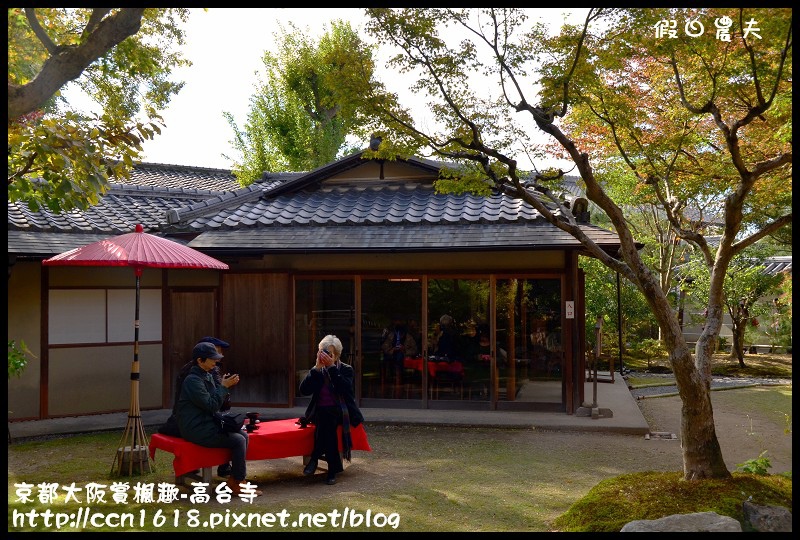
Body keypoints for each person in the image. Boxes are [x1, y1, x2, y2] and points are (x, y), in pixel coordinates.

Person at [176, 341, 261, 496]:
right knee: (238, 440)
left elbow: (215, 402)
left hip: (206, 423)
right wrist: (224, 387)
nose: (216, 361)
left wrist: (222, 385)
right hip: (195, 428)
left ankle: (236, 480)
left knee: (242, 435)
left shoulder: (206, 375)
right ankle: (237, 482)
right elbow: (211, 405)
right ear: (200, 361)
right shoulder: (193, 381)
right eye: (212, 358)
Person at [158, 336, 234, 479]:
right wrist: (224, 389)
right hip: (191, 420)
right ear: (201, 357)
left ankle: (226, 468)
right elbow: (212, 403)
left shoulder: (204, 369)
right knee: (231, 434)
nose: (218, 357)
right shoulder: (194, 375)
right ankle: (224, 468)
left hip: (196, 416)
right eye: (215, 353)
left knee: (233, 431)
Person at [299, 334, 364, 485]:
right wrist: (316, 368)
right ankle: (332, 470)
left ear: (337, 355)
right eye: (324, 352)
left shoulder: (345, 369)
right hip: (320, 412)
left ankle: (315, 459)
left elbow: (345, 389)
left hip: (341, 412)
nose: (327, 356)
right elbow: (304, 390)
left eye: (330, 354)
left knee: (328, 419)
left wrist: (331, 368)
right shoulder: (318, 371)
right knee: (327, 421)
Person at [381, 316, 418, 398]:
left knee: (400, 357)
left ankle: (399, 377)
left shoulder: (408, 337)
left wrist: (404, 350)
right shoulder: (391, 335)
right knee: (386, 360)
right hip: (392, 356)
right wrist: (392, 349)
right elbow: (384, 347)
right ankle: (391, 376)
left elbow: (415, 350)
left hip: (403, 358)